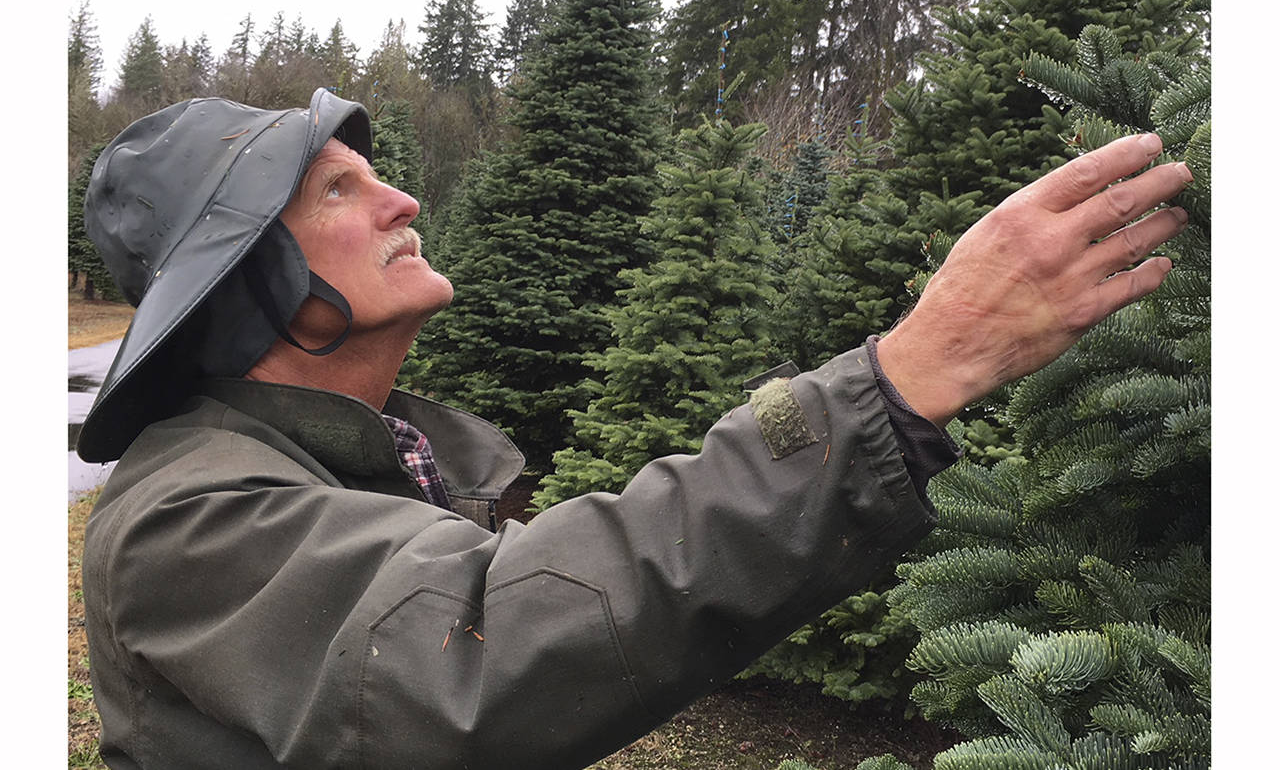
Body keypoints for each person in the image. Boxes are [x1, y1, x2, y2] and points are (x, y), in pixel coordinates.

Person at [77, 88, 1192, 770]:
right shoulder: (189, 515)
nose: (402, 202)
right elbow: (473, 646)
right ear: (245, 279)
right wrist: (901, 373)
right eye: (335, 190)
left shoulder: (375, 459)